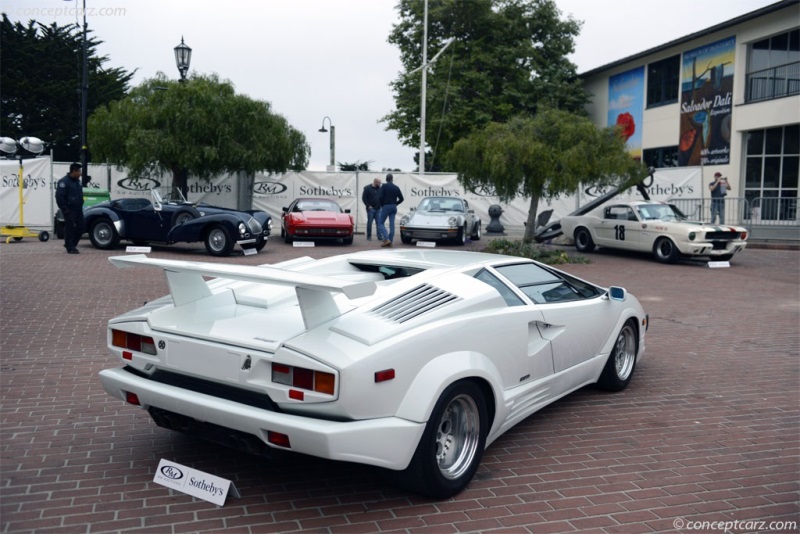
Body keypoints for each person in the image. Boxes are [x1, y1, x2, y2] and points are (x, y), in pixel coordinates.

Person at [55, 163, 85, 254]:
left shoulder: (78, 181)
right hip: (69, 209)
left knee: (81, 227)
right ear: (74, 171)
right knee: (70, 228)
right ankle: (70, 247)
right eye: (79, 171)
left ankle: (71, 243)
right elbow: (59, 197)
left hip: (78, 209)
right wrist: (65, 209)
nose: (80, 173)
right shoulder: (64, 182)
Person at [377, 173, 404, 247]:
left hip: (386, 206)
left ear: (386, 179)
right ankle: (390, 241)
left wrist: (382, 205)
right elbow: (402, 199)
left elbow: (380, 197)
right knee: (392, 224)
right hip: (393, 207)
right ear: (392, 179)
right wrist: (396, 203)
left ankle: (386, 239)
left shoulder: (384, 186)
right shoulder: (396, 187)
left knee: (380, 223)